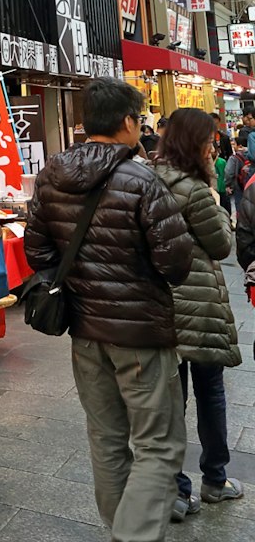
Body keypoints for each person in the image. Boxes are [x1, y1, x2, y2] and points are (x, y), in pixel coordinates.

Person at [26, 78, 192, 542]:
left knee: (106, 437)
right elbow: (175, 264)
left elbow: (36, 251)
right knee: (158, 444)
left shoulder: (52, 174)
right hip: (140, 333)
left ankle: (120, 528)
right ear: (126, 123)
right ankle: (133, 536)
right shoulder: (143, 180)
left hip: (84, 329)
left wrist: (80, 279)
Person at [153, 108, 243, 519]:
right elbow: (223, 245)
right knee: (210, 392)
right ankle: (215, 480)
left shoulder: (148, 180)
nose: (214, 147)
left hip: (159, 304)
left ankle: (174, 490)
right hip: (199, 305)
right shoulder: (194, 189)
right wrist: (216, 198)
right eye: (209, 141)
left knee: (171, 400)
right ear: (196, 144)